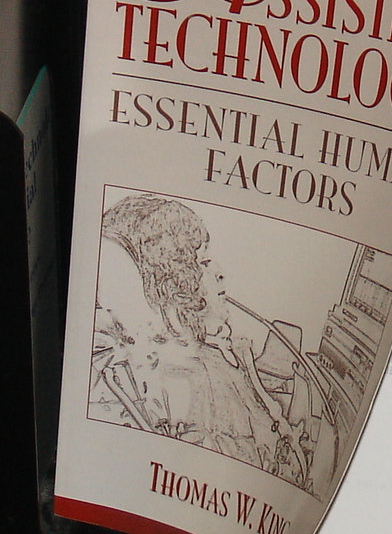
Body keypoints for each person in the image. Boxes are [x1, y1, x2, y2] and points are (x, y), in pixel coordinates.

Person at [90, 194, 327, 492]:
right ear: (175, 286)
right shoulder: (196, 377)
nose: (219, 273)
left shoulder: (214, 355)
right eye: (202, 262)